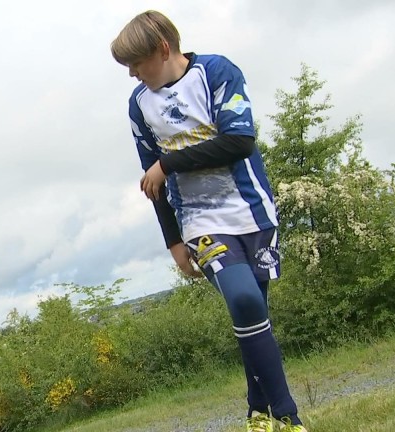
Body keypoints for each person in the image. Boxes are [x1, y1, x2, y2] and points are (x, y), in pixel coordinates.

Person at [111, 11, 307, 432]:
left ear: (163, 48)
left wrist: (169, 161)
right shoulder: (139, 105)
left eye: (136, 63)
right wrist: (174, 242)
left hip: (251, 210)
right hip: (200, 220)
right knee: (245, 301)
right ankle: (289, 418)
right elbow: (153, 182)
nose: (131, 74)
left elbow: (239, 141)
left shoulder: (216, 71)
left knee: (254, 310)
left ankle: (257, 411)